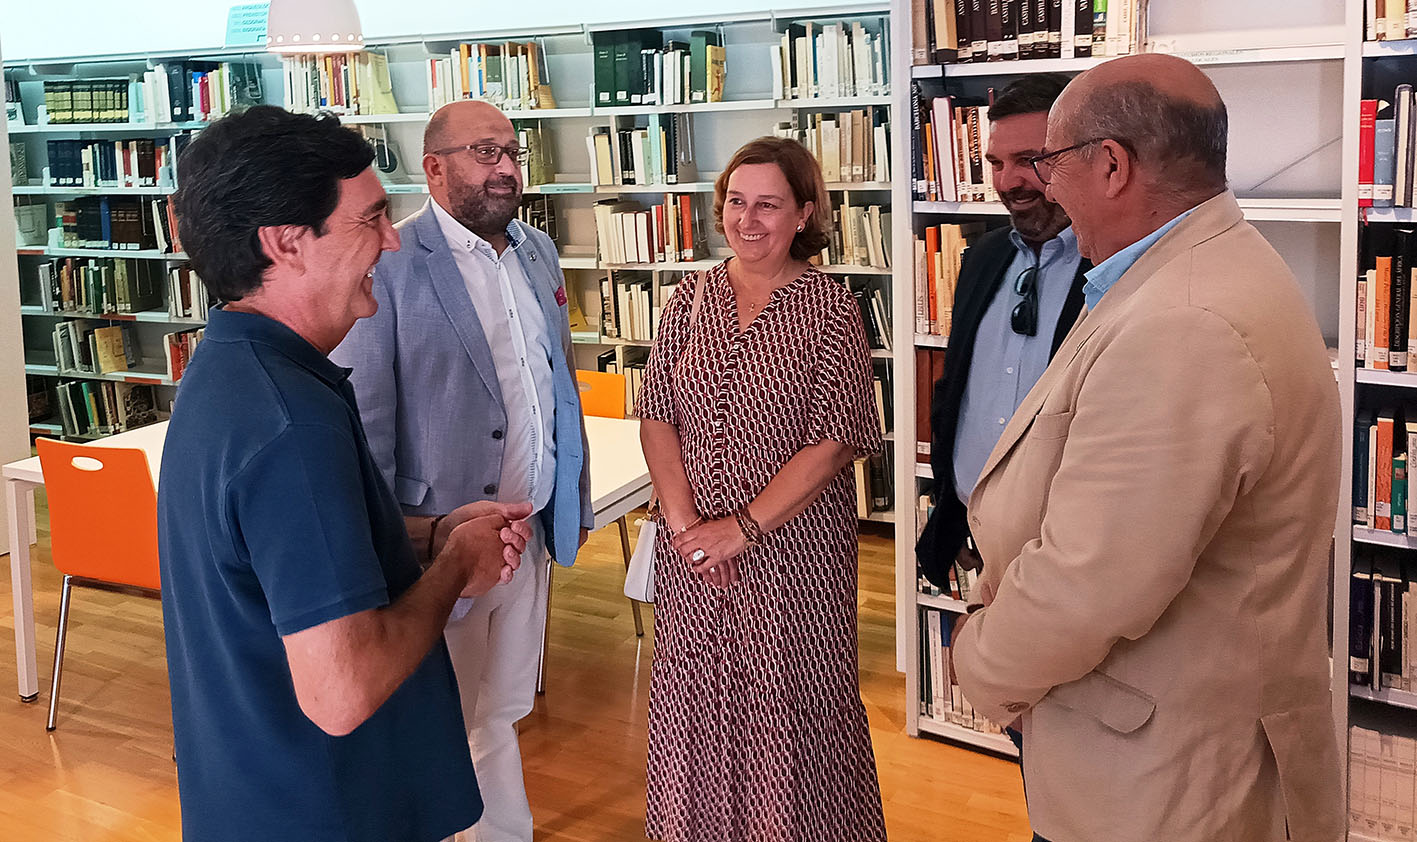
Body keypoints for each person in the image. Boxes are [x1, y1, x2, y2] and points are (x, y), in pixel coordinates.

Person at [950, 54, 1343, 842]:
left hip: (1165, 781)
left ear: (1110, 165)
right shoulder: (1191, 272)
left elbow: (1090, 583)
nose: (1042, 184)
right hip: (1160, 748)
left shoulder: (1182, 322)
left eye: (1051, 162)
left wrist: (977, 660)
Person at [159, 105, 534, 842]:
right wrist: (456, 565)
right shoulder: (291, 425)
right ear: (287, 243)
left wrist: (425, 536)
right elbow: (341, 691)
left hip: (254, 791)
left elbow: (269, 563)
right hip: (328, 807)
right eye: (371, 221)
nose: (392, 243)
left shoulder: (230, 372)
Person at [330, 99, 592, 842]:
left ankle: (501, 829)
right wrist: (394, 549)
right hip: (442, 543)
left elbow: (553, 384)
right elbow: (366, 422)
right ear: (435, 167)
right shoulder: (391, 259)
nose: (507, 168)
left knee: (501, 706)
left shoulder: (536, 250)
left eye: (511, 151)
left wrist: (562, 498)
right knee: (449, 716)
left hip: (528, 531)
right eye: (485, 153)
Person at [634, 136, 886, 842]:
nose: (747, 220)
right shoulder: (688, 298)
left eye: (768, 205)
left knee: (789, 704)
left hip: (790, 556)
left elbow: (834, 441)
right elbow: (656, 412)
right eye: (735, 202)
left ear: (804, 213)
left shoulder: (832, 311)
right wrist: (689, 532)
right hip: (694, 559)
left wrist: (739, 529)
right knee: (697, 701)